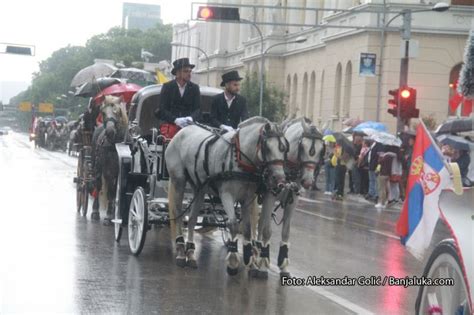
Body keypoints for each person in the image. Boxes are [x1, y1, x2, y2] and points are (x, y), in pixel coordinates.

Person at [155, 58, 201, 129]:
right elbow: (162, 109)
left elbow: (198, 109)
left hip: (189, 127)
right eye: (186, 71)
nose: (189, 74)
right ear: (178, 73)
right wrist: (175, 120)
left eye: (190, 71)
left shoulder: (194, 88)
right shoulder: (167, 87)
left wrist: (191, 118)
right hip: (170, 126)